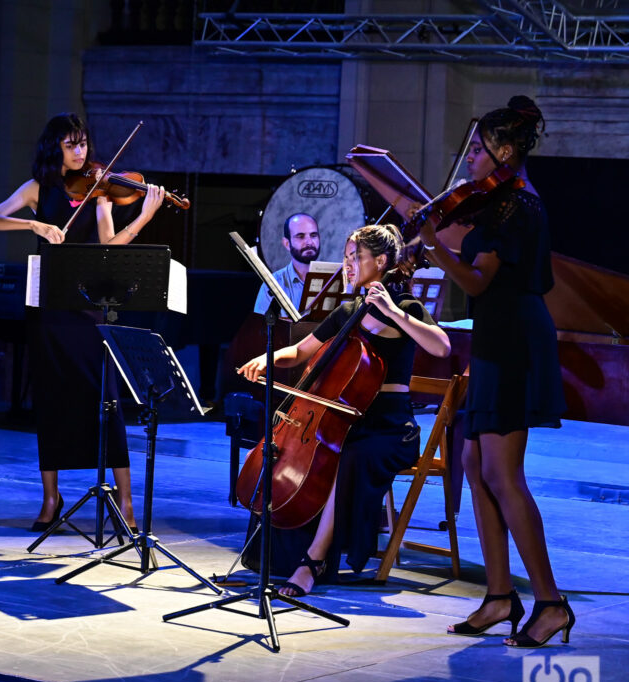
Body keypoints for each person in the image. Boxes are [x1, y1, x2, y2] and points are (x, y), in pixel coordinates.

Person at [416, 96, 572, 647]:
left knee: (503, 474)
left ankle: (551, 604)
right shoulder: (496, 203)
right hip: (495, 337)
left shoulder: (518, 206)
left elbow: (479, 282)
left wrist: (433, 247)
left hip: (514, 340)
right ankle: (500, 596)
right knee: (474, 461)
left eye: (479, 150)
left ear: (505, 151)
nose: (470, 161)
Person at [238, 225, 451, 597]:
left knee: (346, 458)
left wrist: (390, 311)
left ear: (381, 262)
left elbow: (442, 347)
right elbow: (302, 352)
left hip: (389, 429)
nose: (347, 265)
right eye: (347, 257)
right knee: (293, 454)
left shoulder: (406, 307)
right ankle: (273, 556)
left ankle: (313, 561)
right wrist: (266, 358)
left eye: (356, 258)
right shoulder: (347, 311)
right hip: (345, 422)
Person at [0, 113, 164, 532]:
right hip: (47, 308)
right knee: (51, 400)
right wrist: (34, 223)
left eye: (83, 143)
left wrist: (143, 218)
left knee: (107, 400)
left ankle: (126, 503)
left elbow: (109, 247)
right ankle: (50, 498)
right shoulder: (36, 189)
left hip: (86, 307)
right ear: (54, 148)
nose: (81, 152)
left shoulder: (99, 192)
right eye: (71, 145)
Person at [253, 213, 320, 314]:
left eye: (313, 235)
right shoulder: (272, 284)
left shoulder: (333, 280)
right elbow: (260, 327)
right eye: (301, 236)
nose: (309, 242)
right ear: (287, 244)